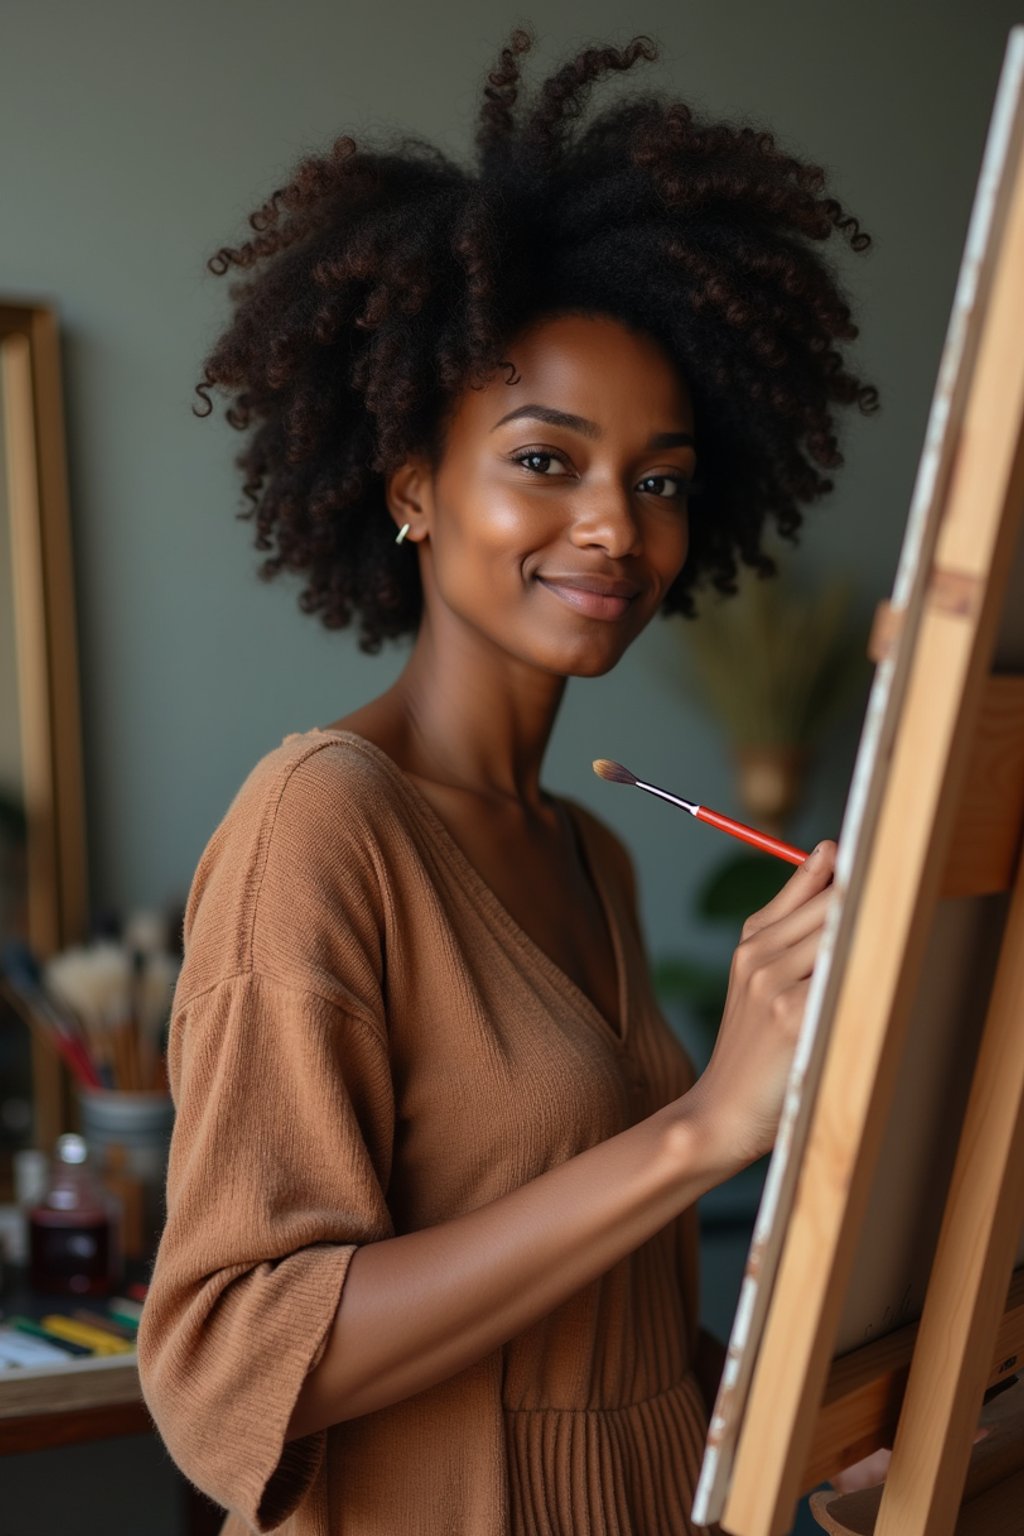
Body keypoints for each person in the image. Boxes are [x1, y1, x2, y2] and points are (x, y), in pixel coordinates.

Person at [137, 28, 878, 1535]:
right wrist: (706, 1126)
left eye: (659, 480)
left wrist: (802, 1417)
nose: (616, 525)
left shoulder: (592, 851)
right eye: (547, 459)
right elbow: (224, 1366)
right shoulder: (319, 822)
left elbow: (600, 1321)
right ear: (412, 483)